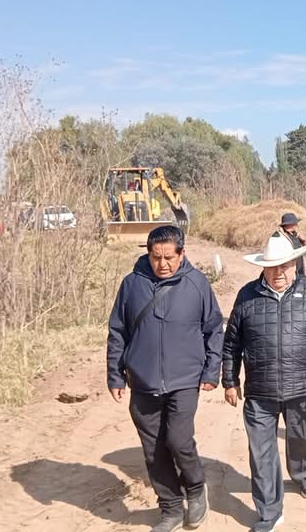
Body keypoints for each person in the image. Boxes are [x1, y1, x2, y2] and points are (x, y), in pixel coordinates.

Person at [223, 232, 306, 532]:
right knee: (261, 454)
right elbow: (231, 343)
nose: (279, 272)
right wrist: (230, 379)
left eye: (286, 265)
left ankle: (303, 476)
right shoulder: (247, 296)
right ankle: (269, 513)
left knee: (303, 441)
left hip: (305, 390)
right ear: (263, 266)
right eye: (273, 266)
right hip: (260, 393)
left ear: (295, 263)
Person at [106, 225, 224, 532]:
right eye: (156, 257)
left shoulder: (197, 283)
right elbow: (118, 331)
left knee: (178, 440)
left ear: (182, 253)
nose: (163, 264)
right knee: (153, 450)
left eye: (169, 257)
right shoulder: (132, 284)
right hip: (143, 381)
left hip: (185, 378)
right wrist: (115, 375)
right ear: (148, 254)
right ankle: (170, 508)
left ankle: (196, 489)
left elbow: (214, 329)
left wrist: (213, 370)